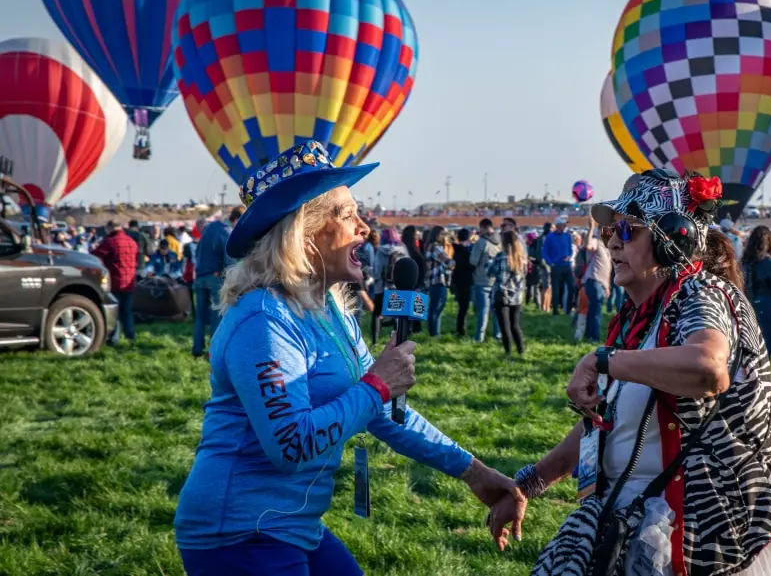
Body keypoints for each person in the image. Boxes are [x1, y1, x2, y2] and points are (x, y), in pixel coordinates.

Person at [173, 140, 524, 576]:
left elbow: (384, 413)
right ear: (304, 233)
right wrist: (376, 384)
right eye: (347, 215)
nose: (366, 229)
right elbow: (291, 445)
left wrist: (474, 472)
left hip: (292, 525)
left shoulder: (331, 312)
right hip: (239, 533)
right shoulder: (263, 320)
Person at [489, 170, 771, 574]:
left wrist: (602, 360)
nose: (611, 241)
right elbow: (609, 423)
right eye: (610, 231)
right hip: (637, 519)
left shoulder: (702, 294)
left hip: (697, 532)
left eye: (628, 229)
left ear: (672, 237)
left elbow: (708, 368)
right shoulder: (638, 316)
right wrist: (529, 483)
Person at [192, 206, 245, 358]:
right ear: (237, 219)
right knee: (217, 315)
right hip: (214, 278)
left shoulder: (210, 228)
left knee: (200, 316)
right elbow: (230, 261)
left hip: (200, 276)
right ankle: (213, 352)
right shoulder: (226, 231)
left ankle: (197, 348)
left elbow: (198, 252)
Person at [741, 225, 771, 358]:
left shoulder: (745, 262)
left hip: (749, 303)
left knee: (751, 343)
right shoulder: (768, 262)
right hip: (769, 304)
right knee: (766, 345)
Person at [92, 220, 139, 344]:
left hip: (115, 280)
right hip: (129, 281)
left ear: (110, 228)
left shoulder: (110, 241)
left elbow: (94, 255)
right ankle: (131, 336)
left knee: (115, 312)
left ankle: (114, 338)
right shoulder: (131, 241)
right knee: (127, 311)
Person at [486, 230, 527, 358]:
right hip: (517, 296)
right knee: (515, 325)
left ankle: (508, 353)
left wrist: (489, 263)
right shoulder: (521, 257)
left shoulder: (502, 256)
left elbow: (493, 274)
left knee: (505, 327)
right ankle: (521, 351)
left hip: (502, 295)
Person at [370, 228, 408, 344]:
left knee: (376, 314)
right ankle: (398, 341)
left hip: (381, 287)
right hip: (398, 287)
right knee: (397, 314)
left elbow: (377, 271)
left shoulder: (381, 251)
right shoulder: (403, 250)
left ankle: (375, 341)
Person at [469, 218, 502, 343]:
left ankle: (479, 336)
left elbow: (473, 261)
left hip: (482, 279)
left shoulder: (481, 243)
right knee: (497, 310)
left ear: (483, 228)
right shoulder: (500, 242)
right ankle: (498, 334)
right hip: (497, 280)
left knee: (483, 310)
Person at [580, 217, 612, 342]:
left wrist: (607, 286)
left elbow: (607, 269)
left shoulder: (607, 247)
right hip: (594, 281)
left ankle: (589, 335)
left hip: (601, 284)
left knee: (593, 311)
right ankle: (594, 337)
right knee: (596, 312)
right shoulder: (596, 242)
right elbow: (587, 245)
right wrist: (591, 228)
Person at [423, 226, 453, 336]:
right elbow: (449, 262)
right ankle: (434, 333)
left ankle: (434, 332)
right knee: (437, 307)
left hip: (431, 280)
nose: (444, 237)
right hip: (438, 280)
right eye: (442, 234)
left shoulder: (429, 246)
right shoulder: (436, 247)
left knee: (434, 307)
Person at [543, 216, 576, 314]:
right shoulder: (550, 237)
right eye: (563, 224)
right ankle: (556, 311)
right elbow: (545, 252)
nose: (565, 226)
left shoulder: (567, 236)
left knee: (571, 287)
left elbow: (570, 250)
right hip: (556, 266)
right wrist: (550, 263)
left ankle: (568, 309)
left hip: (567, 265)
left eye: (565, 224)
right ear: (558, 225)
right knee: (556, 289)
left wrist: (569, 256)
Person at [451, 228, 475, 337]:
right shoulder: (467, 251)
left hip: (457, 280)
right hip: (466, 281)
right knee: (464, 308)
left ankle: (460, 328)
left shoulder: (455, 249)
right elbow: (471, 266)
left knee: (461, 306)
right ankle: (461, 329)